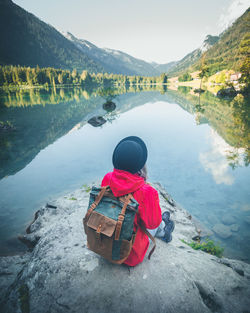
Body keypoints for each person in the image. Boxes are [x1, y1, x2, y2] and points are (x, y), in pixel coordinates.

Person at [101, 136, 175, 267]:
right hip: (129, 254)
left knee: (149, 215)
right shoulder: (147, 191)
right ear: (140, 165)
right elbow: (152, 224)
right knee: (156, 220)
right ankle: (164, 232)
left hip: (104, 244)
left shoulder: (107, 178)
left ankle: (163, 225)